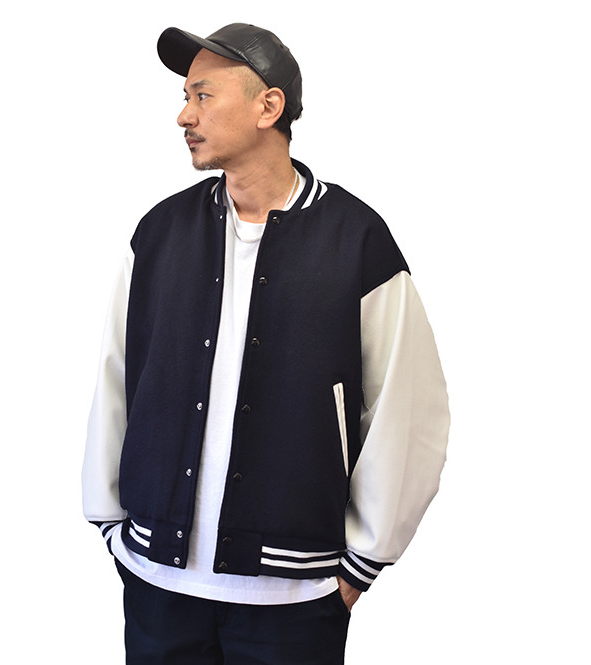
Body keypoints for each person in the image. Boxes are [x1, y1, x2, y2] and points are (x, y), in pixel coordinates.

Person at [82, 22, 450, 664]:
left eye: (203, 95)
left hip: (293, 600)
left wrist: (361, 566)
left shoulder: (356, 241)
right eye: (185, 97)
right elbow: (119, 377)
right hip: (157, 586)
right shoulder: (160, 233)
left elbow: (408, 409)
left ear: (268, 106)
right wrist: (111, 524)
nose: (183, 115)